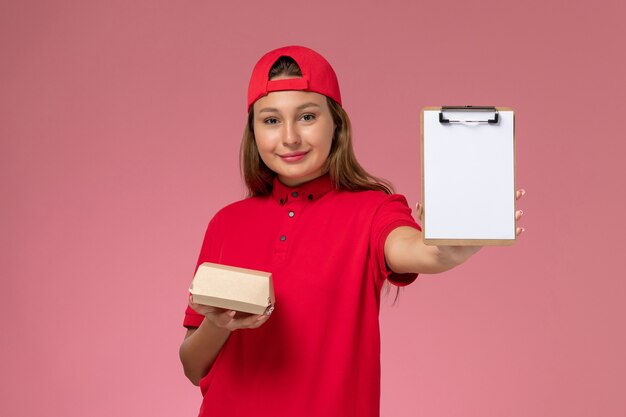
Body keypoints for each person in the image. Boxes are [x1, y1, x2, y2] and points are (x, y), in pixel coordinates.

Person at [179, 45, 525, 417]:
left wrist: (446, 248)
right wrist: (218, 323)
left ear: (337, 124)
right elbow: (192, 365)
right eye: (271, 120)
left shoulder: (374, 209)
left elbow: (414, 249)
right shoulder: (226, 223)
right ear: (254, 131)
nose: (290, 137)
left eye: (307, 116)